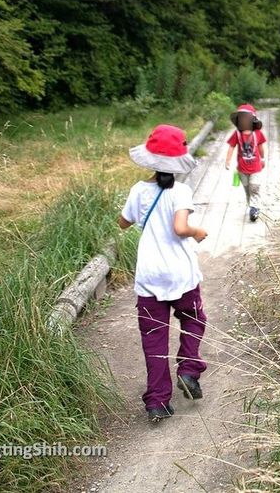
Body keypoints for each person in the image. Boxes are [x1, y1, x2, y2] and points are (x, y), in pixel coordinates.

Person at [118, 124, 209, 424]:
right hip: (181, 274)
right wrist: (197, 231)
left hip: (150, 277)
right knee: (194, 320)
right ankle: (188, 370)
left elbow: (123, 223)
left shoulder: (138, 191)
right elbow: (180, 228)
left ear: (151, 160)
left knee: (154, 339)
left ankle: (157, 402)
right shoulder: (181, 191)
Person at [225, 103, 267, 222]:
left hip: (256, 167)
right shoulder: (237, 134)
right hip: (242, 168)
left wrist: (263, 159)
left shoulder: (257, 133)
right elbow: (231, 147)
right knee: (247, 189)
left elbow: (260, 147)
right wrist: (227, 161)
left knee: (254, 187)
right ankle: (252, 207)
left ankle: (255, 208)